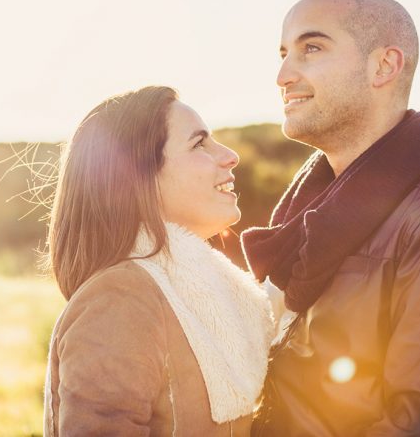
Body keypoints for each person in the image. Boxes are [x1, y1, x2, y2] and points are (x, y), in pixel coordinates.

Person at [242, 0, 420, 436]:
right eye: (282, 53)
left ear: (384, 66)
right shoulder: (308, 215)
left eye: (310, 48)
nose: (282, 75)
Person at [43, 86, 274, 436]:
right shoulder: (119, 300)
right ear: (138, 177)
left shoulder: (202, 293)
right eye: (199, 144)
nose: (229, 156)